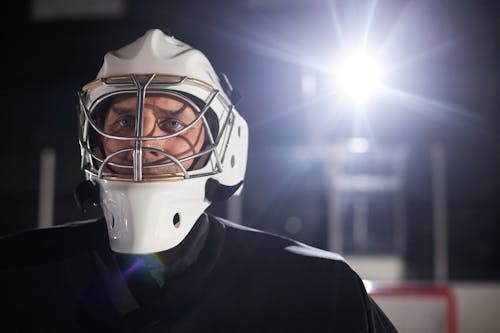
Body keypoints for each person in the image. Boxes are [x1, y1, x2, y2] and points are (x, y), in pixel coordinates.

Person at [0, 29, 397, 332]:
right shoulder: (15, 275)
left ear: (219, 144)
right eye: (124, 120)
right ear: (96, 140)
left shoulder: (317, 289)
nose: (144, 142)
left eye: (172, 122)